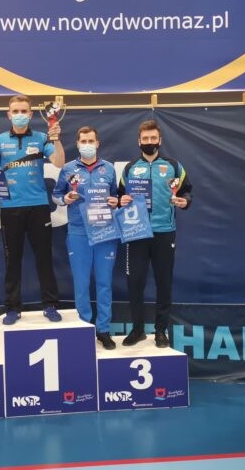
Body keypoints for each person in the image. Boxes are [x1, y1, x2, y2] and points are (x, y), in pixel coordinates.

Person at [0, 95, 65, 325]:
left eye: (23, 111)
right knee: (12, 261)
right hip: (10, 208)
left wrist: (57, 140)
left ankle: (50, 304)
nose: (19, 115)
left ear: (30, 114)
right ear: (8, 114)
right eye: (15, 111)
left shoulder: (41, 137)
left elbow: (59, 162)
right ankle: (12, 307)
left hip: (38, 207)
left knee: (44, 258)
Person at [118, 120, 193, 348]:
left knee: (164, 282)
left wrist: (185, 201)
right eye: (145, 138)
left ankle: (161, 331)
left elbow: (187, 191)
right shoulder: (130, 168)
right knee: (135, 283)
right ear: (138, 141)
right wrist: (122, 200)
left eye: (153, 138)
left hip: (164, 232)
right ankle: (138, 329)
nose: (149, 142)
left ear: (159, 140)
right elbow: (120, 195)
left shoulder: (173, 166)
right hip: (137, 232)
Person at [53, 126, 119, 349]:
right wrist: (65, 199)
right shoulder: (68, 169)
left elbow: (116, 196)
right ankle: (84, 328)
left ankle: (104, 330)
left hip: (105, 231)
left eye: (91, 141)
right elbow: (56, 195)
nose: (87, 145)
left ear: (97, 143)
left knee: (104, 283)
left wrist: (115, 202)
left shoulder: (109, 168)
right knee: (81, 284)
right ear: (78, 144)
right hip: (78, 232)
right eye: (84, 141)